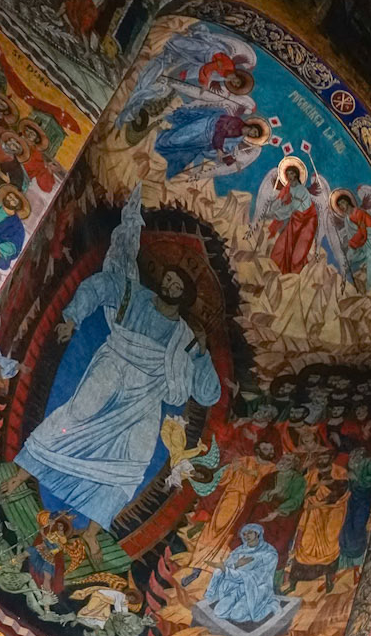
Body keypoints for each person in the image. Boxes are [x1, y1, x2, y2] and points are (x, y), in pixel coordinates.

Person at [16, 187, 221, 530]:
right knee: (77, 415)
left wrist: (201, 353)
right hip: (113, 367)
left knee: (137, 455)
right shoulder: (135, 295)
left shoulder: (185, 337)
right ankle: (23, 471)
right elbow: (99, 286)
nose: (170, 286)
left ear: (183, 295)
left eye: (177, 285)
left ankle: (95, 530)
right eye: (168, 280)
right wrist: (72, 318)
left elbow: (208, 394)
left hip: (146, 398)